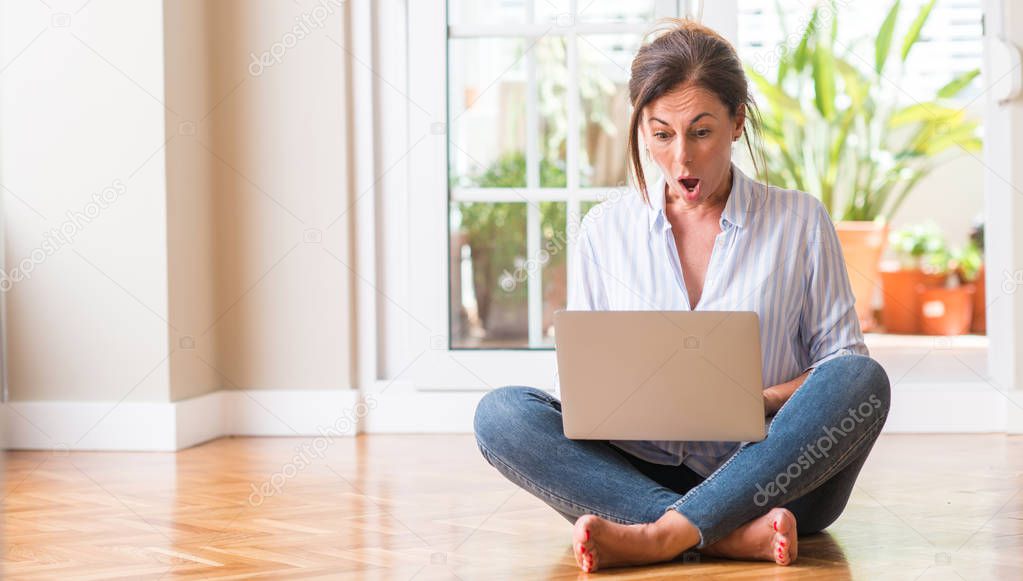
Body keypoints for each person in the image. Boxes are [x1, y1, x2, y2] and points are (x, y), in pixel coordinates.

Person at [472, 18, 891, 573]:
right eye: (661, 133)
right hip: (637, 469)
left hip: (773, 473)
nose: (680, 160)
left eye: (701, 131)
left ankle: (655, 534)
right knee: (500, 414)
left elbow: (841, 365)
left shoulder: (799, 220)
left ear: (737, 121)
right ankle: (715, 534)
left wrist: (754, 400)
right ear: (641, 127)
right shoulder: (604, 229)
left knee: (862, 381)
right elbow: (578, 383)